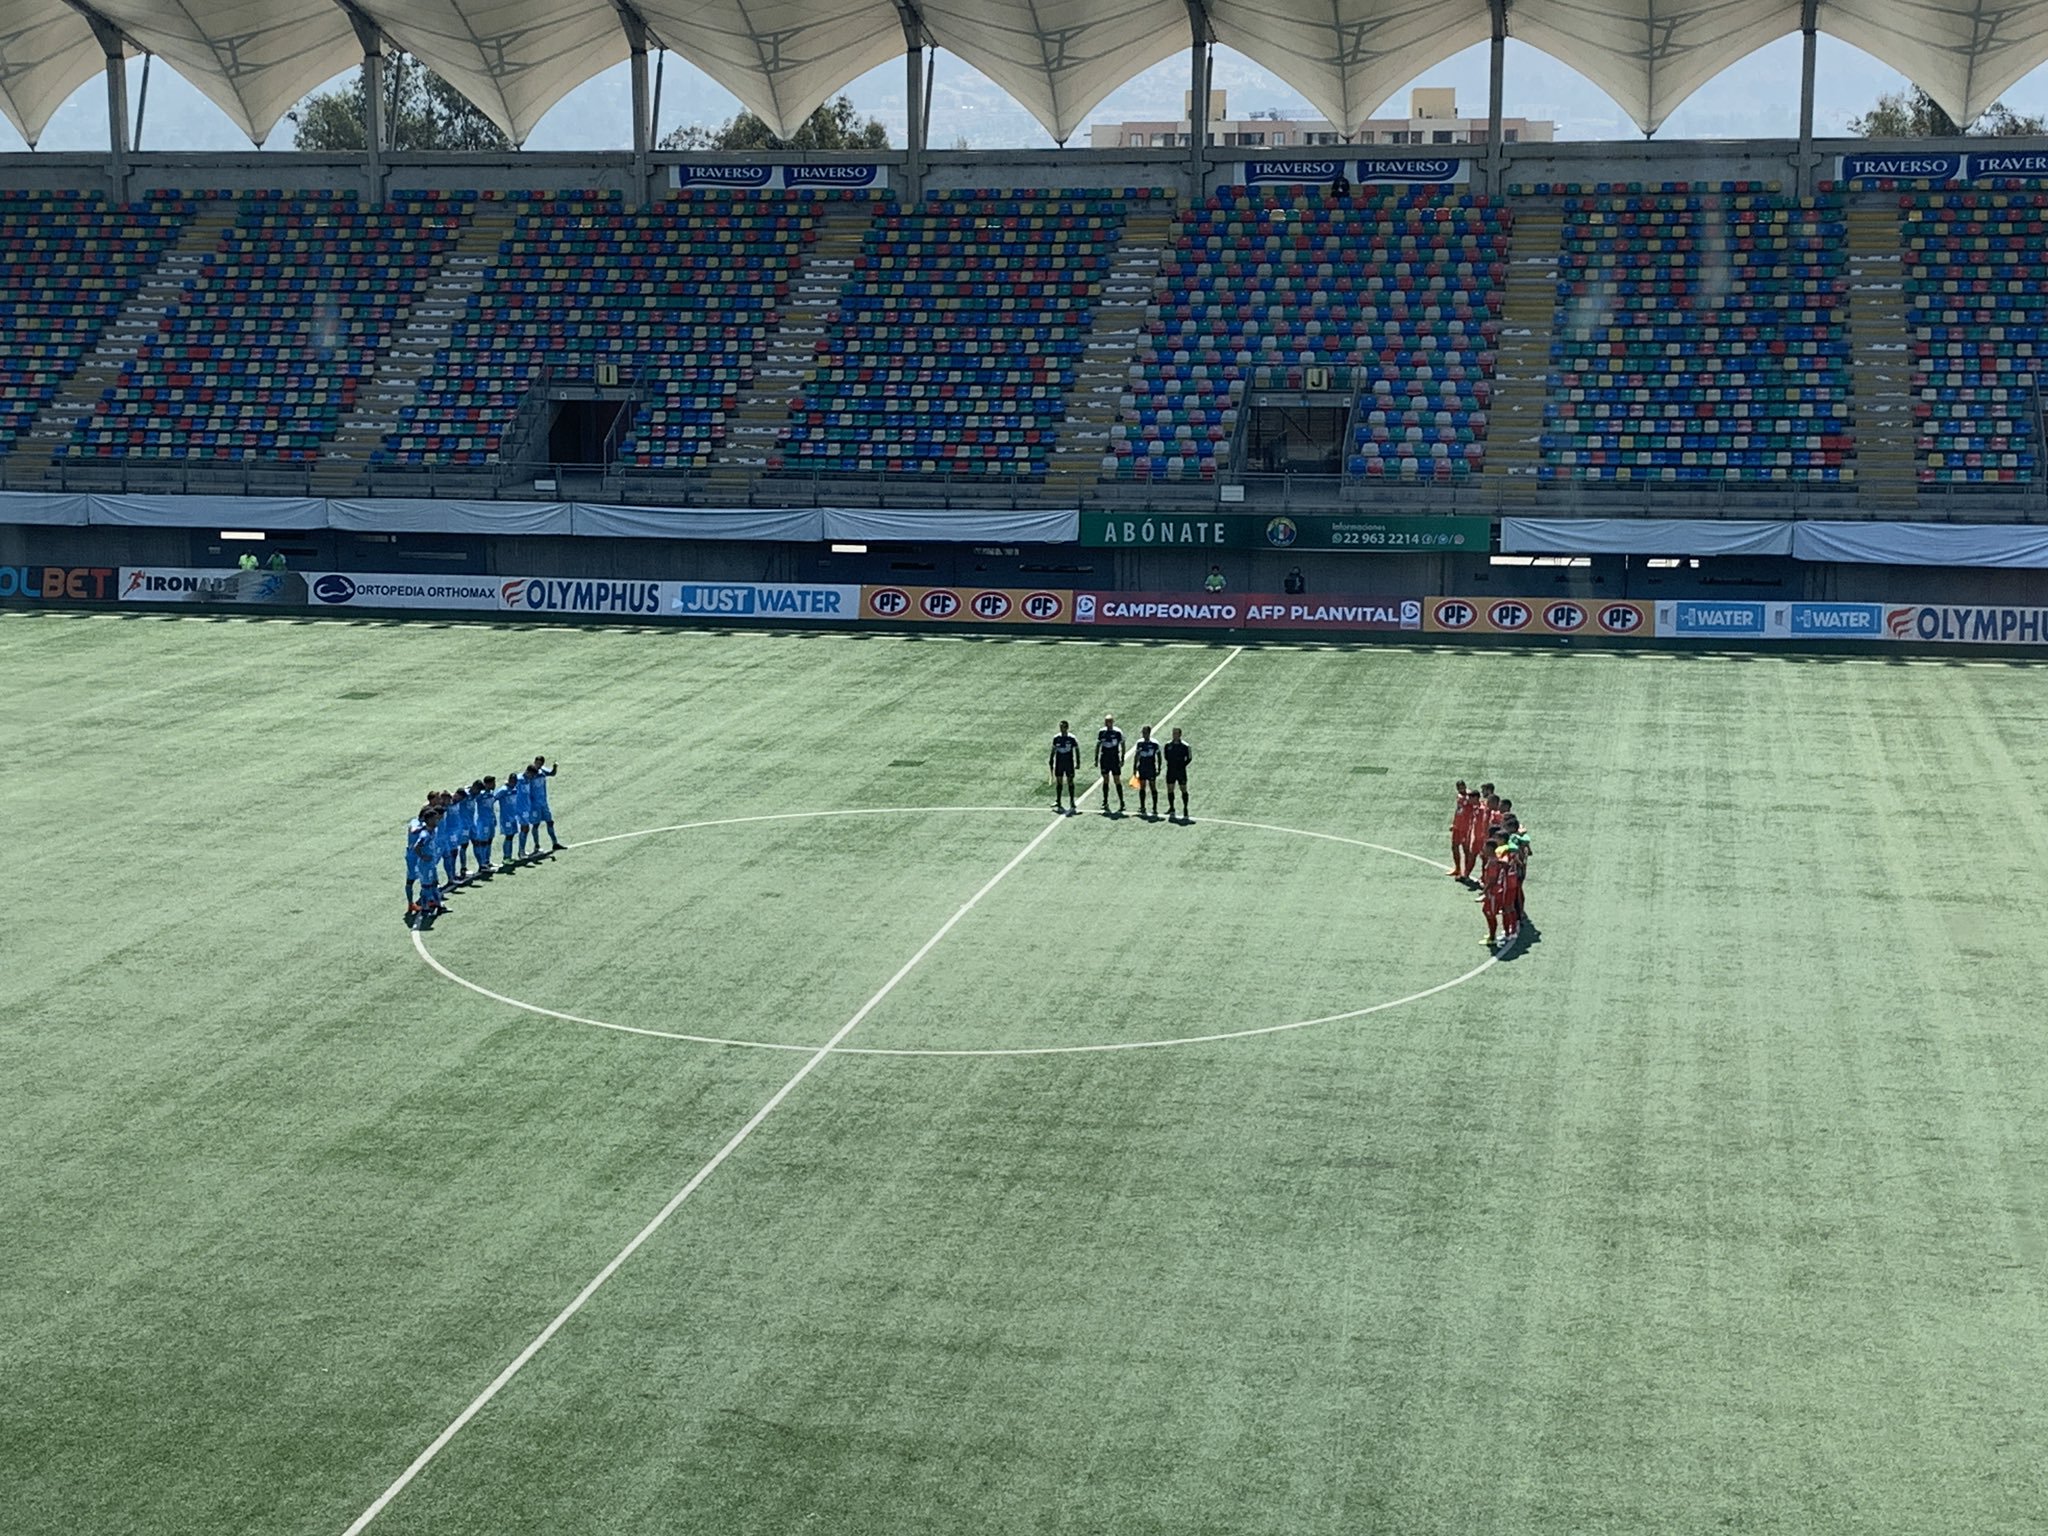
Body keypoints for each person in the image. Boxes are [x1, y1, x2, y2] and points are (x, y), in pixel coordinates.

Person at [528, 757, 562, 851]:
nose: (538, 765)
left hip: (543, 803)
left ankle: (555, 843)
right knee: (536, 824)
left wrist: (555, 767)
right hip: (534, 805)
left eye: (540, 763)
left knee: (550, 822)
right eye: (537, 763)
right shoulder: (530, 773)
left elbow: (552, 773)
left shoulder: (543, 771)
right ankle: (536, 845)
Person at [1095, 714, 1126, 815]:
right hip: (1105, 757)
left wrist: (1122, 758)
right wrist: (1096, 758)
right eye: (1106, 721)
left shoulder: (1117, 732)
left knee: (1117, 779)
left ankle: (1122, 802)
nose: (1107, 723)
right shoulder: (1102, 732)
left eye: (1109, 721)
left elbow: (1123, 744)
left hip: (1114, 757)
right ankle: (1105, 801)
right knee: (1105, 779)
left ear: (1112, 722)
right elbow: (1098, 745)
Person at [1048, 720, 1080, 813]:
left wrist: (1078, 762)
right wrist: (1051, 760)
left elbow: (1076, 750)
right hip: (1059, 762)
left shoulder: (1071, 738)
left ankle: (1072, 801)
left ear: (1066, 728)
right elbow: (1053, 749)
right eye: (1060, 727)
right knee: (1059, 781)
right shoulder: (1056, 738)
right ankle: (1058, 800)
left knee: (1070, 781)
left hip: (1068, 762)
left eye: (1063, 727)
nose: (1061, 729)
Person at [1132, 726, 1163, 819]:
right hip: (1142, 766)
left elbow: (1159, 755)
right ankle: (1142, 806)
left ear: (1149, 733)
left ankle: (1154, 807)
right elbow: (1137, 755)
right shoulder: (1139, 743)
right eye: (1143, 732)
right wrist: (1134, 767)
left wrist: (1159, 768)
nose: (1144, 734)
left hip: (1151, 766)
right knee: (1142, 786)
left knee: (1153, 786)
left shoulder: (1154, 743)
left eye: (1145, 732)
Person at [469, 777, 497, 877]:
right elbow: (471, 796)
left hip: (490, 820)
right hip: (483, 822)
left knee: (490, 840)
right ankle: (482, 864)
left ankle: (487, 861)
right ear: (487, 784)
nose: (494, 785)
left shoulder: (491, 793)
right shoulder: (480, 795)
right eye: (493, 783)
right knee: (483, 842)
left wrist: (494, 818)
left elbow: (491, 807)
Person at [1163, 727, 1192, 822]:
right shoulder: (1168, 745)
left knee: (1183, 789)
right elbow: (1166, 756)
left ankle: (1185, 808)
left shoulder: (1185, 746)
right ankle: (1172, 808)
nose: (1174, 735)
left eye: (1176, 733)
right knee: (1170, 789)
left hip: (1181, 771)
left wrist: (1182, 765)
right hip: (1171, 770)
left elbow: (1189, 758)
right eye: (1173, 733)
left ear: (1180, 735)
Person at [1448, 779, 1474, 879]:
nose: (1460, 789)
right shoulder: (1459, 797)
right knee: (1454, 846)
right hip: (1457, 827)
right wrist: (1453, 823)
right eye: (1458, 788)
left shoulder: (1469, 796)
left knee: (1466, 849)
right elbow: (1458, 810)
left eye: (1462, 787)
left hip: (1466, 828)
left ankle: (1465, 871)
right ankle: (1457, 868)